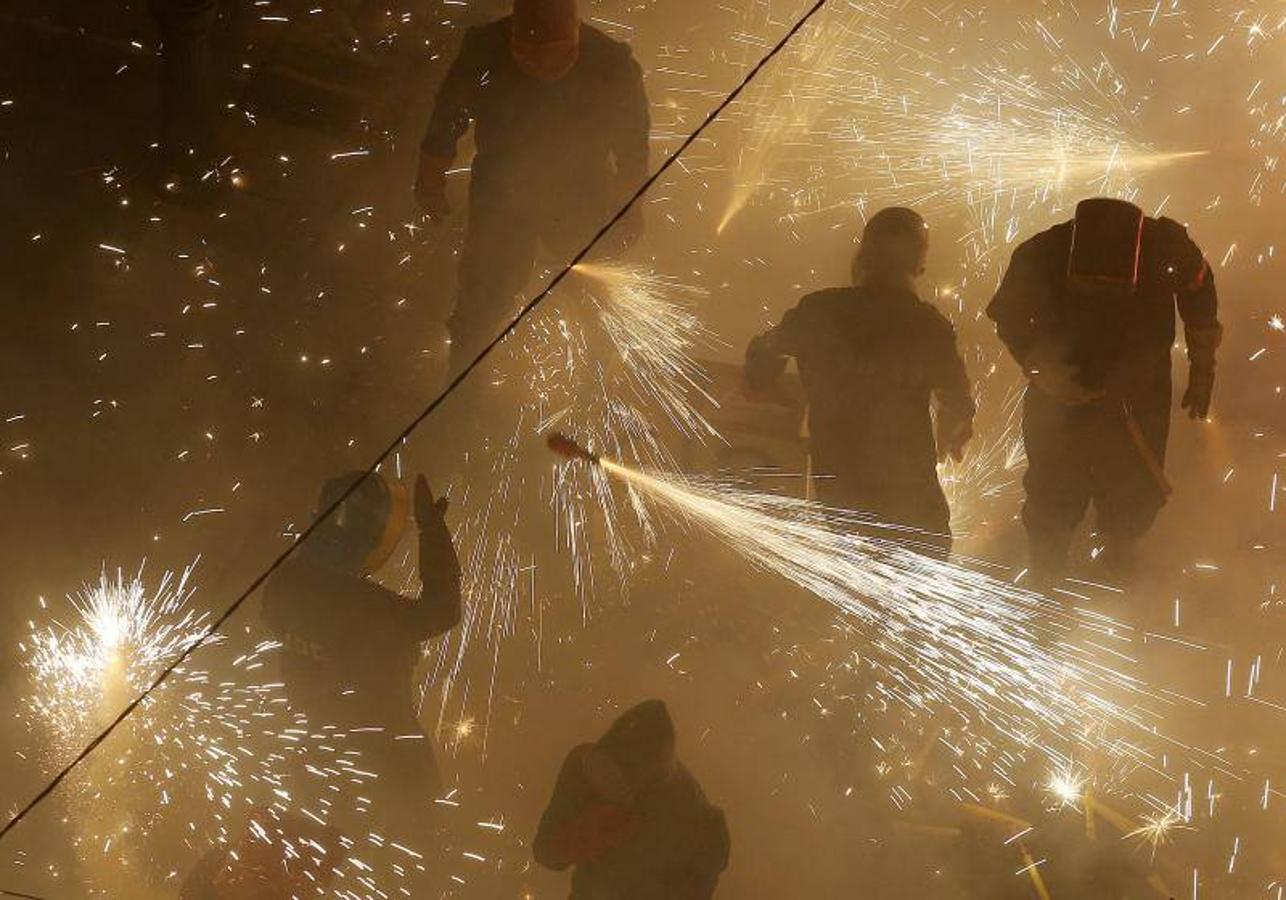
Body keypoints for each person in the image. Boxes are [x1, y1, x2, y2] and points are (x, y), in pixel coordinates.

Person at [987, 197, 1222, 579]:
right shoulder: (1044, 252)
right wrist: (1045, 370)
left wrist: (1203, 369)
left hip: (1138, 398)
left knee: (1135, 497)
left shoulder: (1165, 247)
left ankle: (1118, 563)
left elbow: (1199, 290)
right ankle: (1048, 581)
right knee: (1052, 498)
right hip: (1061, 399)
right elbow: (1007, 315)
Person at [416, 0, 651, 373]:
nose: (542, 68)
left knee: (592, 292)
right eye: (528, 57)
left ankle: (600, 377)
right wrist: (430, 180)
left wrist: (630, 209)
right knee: (482, 296)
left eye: (555, 57)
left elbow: (633, 148)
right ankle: (464, 382)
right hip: (501, 188)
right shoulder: (483, 49)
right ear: (512, 37)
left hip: (583, 189)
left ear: (575, 38)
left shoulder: (611, 64)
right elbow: (447, 118)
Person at [744, 207, 975, 553]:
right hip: (909, 486)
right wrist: (953, 430)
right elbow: (957, 402)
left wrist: (772, 393)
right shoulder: (928, 325)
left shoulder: (819, 311)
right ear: (919, 265)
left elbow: (763, 356)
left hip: (839, 480)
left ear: (862, 256)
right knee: (921, 578)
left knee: (853, 577)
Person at [261, 470, 461, 828]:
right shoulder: (361, 607)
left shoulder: (284, 584)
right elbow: (442, 612)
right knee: (420, 866)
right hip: (389, 764)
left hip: (318, 760)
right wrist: (433, 534)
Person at [533, 700, 730, 899]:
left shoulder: (699, 827)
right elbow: (544, 851)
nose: (602, 790)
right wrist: (582, 836)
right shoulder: (586, 769)